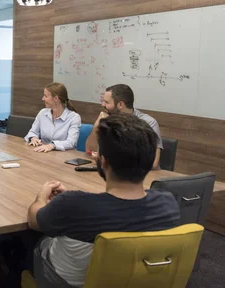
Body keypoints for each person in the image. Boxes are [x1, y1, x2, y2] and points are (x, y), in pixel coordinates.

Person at [27, 114, 180, 288]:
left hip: (62, 281)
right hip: (135, 281)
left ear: (104, 162)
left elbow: (34, 220)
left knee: (33, 242)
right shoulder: (168, 203)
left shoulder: (72, 204)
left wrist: (42, 197)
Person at [85, 84, 163, 169]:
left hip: (143, 176)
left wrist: (111, 160)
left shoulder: (148, 123)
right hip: (115, 173)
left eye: (106, 102)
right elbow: (90, 151)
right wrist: (97, 125)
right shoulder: (108, 119)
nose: (102, 105)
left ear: (120, 104)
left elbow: (153, 162)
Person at [24, 82, 81, 152]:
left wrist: (52, 145)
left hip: (63, 157)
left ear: (56, 98)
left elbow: (71, 142)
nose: (43, 99)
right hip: (43, 153)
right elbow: (32, 132)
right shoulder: (42, 113)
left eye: (45, 96)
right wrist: (33, 138)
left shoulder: (74, 118)